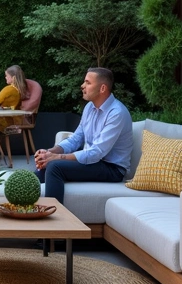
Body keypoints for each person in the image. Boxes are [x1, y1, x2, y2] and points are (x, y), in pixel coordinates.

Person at [33, 67, 132, 204]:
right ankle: (23, 208)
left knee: (55, 167)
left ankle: (54, 218)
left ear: (102, 88)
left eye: (88, 82)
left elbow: (97, 152)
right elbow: (76, 139)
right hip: (95, 162)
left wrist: (57, 158)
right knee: (42, 168)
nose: (82, 86)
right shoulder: (89, 108)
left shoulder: (117, 113)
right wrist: (49, 152)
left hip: (112, 169)